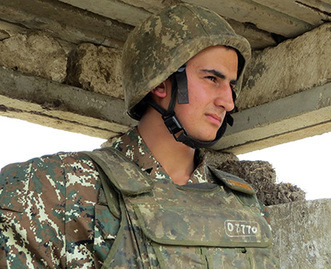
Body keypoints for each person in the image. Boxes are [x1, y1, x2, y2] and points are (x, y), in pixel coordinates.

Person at [0, 3, 277, 268]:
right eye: (212, 79)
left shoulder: (245, 204)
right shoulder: (55, 187)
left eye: (231, 85)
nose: (228, 102)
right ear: (160, 83)